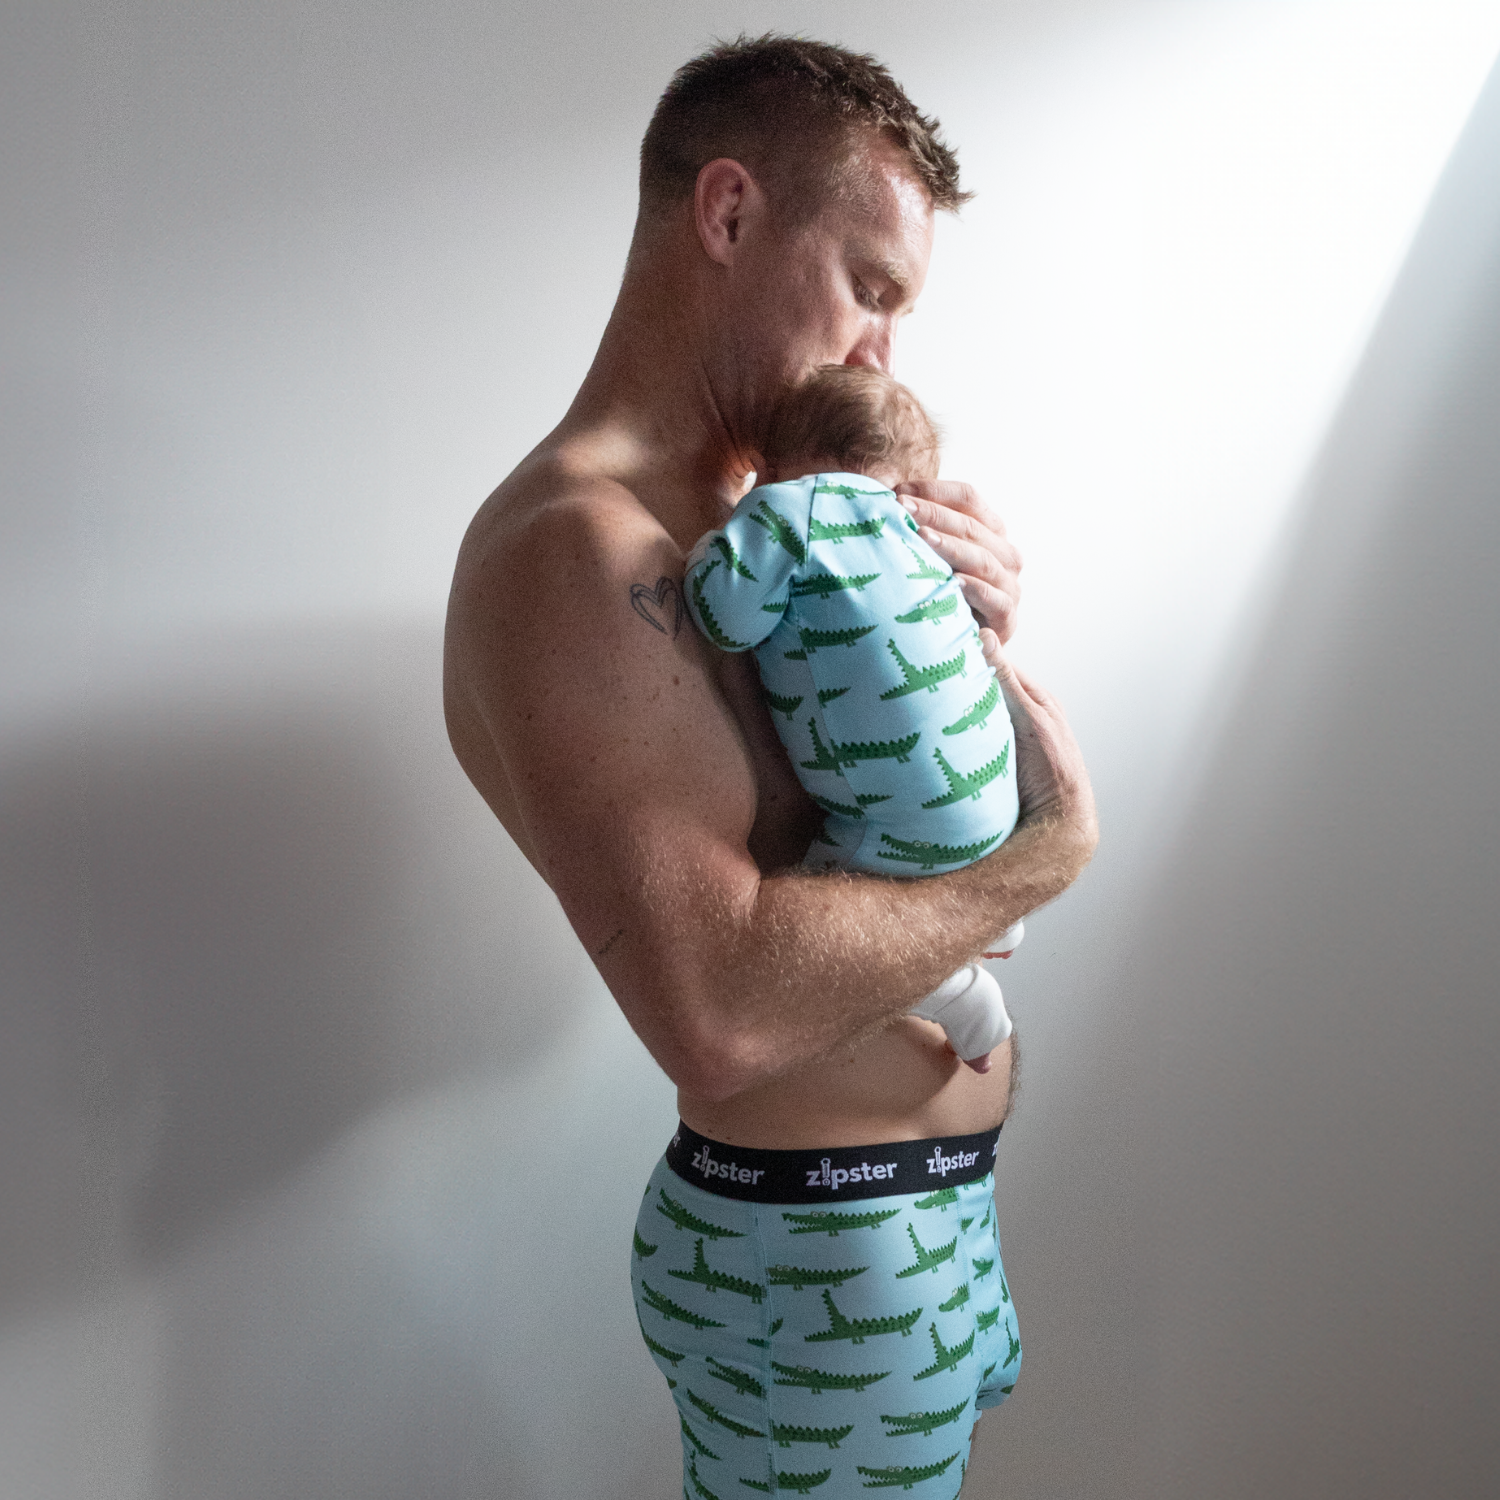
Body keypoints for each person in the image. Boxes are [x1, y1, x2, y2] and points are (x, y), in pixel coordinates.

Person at [443, 34, 1096, 1496]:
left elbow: (847, 830)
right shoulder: (578, 555)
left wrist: (960, 643)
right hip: (817, 1252)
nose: (880, 355)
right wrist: (1047, 853)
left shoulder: (763, 519)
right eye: (871, 287)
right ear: (730, 213)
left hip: (905, 1220)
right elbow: (721, 1017)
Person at [683, 364, 1026, 1075]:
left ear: (769, 465)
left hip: (899, 825)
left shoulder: (790, 509)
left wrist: (704, 551)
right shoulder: (920, 532)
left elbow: (725, 620)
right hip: (997, 802)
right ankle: (994, 915)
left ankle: (961, 996)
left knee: (814, 928)